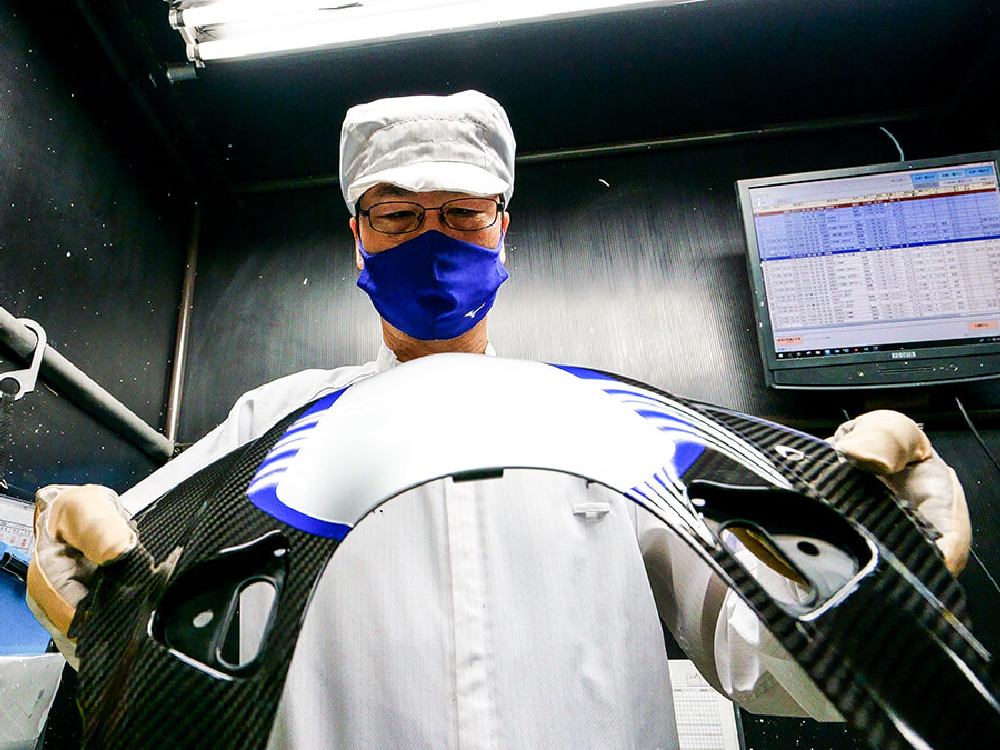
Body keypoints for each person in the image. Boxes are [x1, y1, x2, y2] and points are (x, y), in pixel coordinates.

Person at [26, 90, 971, 748]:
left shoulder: (602, 424)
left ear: (503, 224)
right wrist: (73, 572)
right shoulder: (273, 424)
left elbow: (765, 656)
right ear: (357, 236)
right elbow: (137, 632)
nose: (431, 239)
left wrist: (891, 566)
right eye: (398, 217)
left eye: (461, 213)